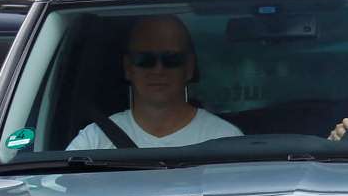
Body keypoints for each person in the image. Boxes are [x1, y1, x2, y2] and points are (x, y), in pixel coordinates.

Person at [67, 15, 242, 151]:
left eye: (171, 59)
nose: (158, 70)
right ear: (128, 68)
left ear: (189, 68)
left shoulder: (225, 138)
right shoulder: (94, 140)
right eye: (145, 59)